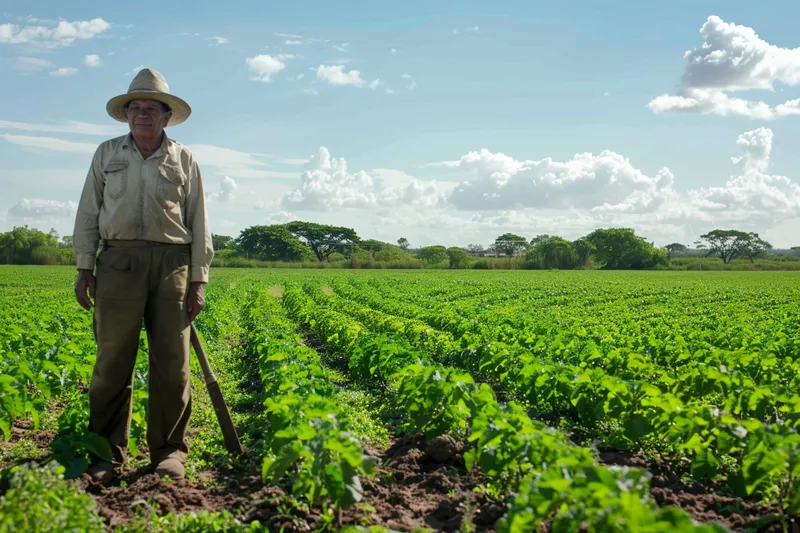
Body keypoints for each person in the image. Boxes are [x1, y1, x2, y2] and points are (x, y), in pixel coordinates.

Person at [72, 67, 214, 481]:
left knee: (173, 361)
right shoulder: (107, 154)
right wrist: (84, 266)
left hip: (172, 263)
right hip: (117, 263)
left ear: (167, 116)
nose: (143, 115)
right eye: (136, 107)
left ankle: (169, 452)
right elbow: (88, 211)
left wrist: (199, 279)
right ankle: (104, 454)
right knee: (112, 358)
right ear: (126, 114)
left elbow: (199, 219)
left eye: (152, 108)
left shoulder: (184, 158)